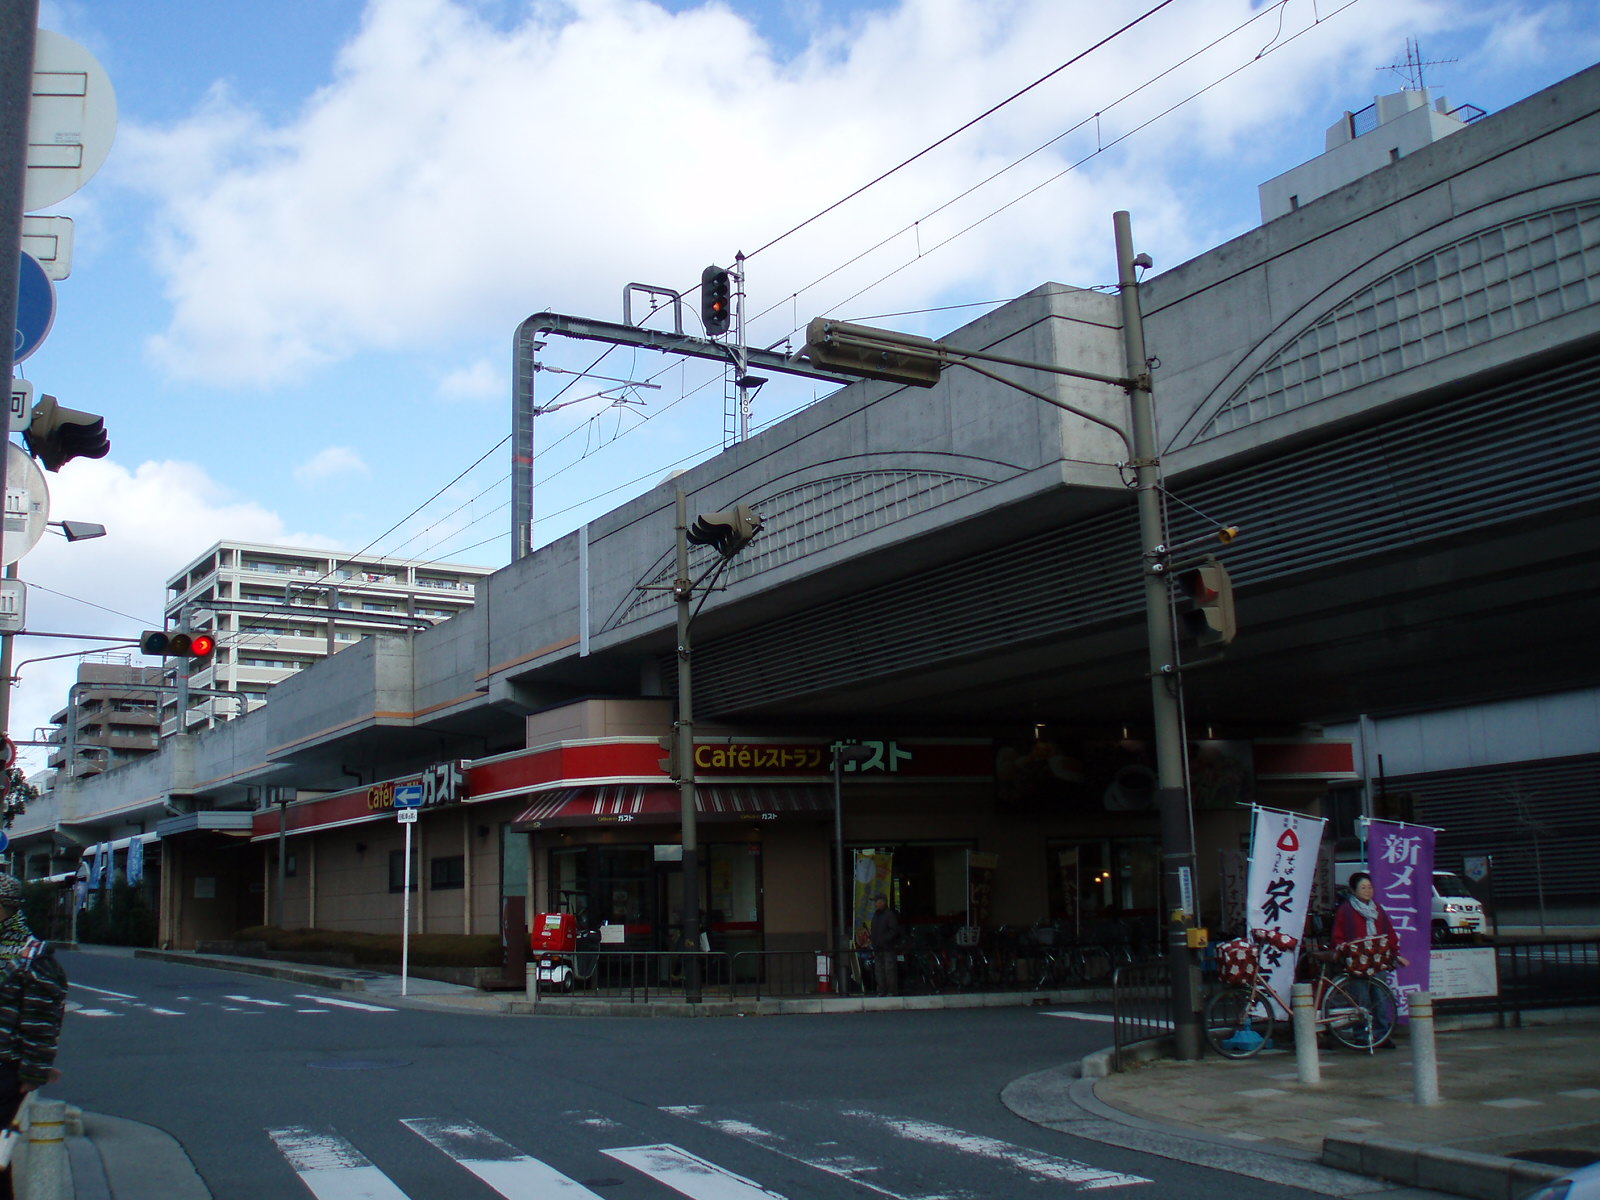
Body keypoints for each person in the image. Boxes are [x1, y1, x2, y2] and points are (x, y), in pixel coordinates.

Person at [0, 874, 66, 1199]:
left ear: (6, 908)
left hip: (5, 1068)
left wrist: (33, 1071)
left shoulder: (31, 954)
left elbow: (42, 1018)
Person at [1331, 871, 1408, 1049]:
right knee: (1361, 1000)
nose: (1368, 891)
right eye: (1363, 887)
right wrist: (1344, 949)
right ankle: (1362, 1036)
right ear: (1353, 890)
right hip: (1357, 963)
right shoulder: (1345, 910)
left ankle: (1383, 1035)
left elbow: (1389, 934)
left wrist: (1395, 954)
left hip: (1377, 961)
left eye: (1370, 887)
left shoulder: (1377, 909)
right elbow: (1338, 937)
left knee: (1380, 998)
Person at [869, 894, 901, 996]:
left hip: (887, 947)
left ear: (883, 902)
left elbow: (894, 930)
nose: (875, 904)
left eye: (877, 902)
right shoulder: (876, 915)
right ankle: (881, 990)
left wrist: (885, 940)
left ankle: (891, 990)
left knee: (889, 969)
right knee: (879, 970)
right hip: (878, 947)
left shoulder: (889, 915)